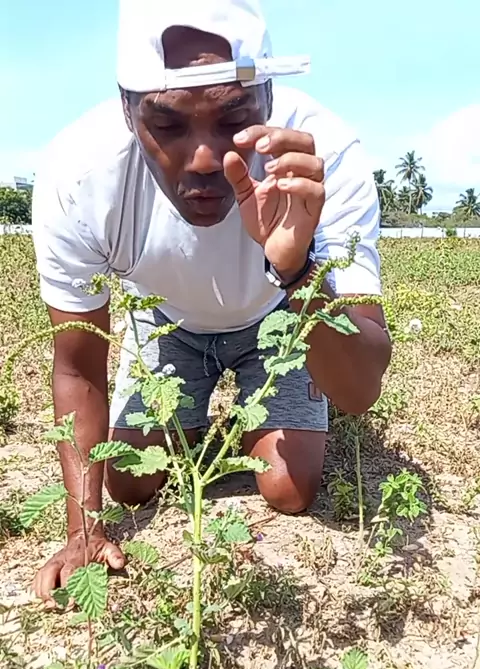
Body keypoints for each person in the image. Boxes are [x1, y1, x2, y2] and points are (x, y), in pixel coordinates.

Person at [31, 0, 391, 601]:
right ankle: (193, 416)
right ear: (126, 110)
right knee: (128, 483)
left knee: (289, 488)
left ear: (269, 98)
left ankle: (232, 410)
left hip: (279, 319)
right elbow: (76, 365)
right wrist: (83, 529)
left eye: (233, 119)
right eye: (167, 125)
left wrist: (297, 269)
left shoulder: (324, 156)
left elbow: (359, 391)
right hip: (168, 321)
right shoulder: (80, 176)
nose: (203, 159)